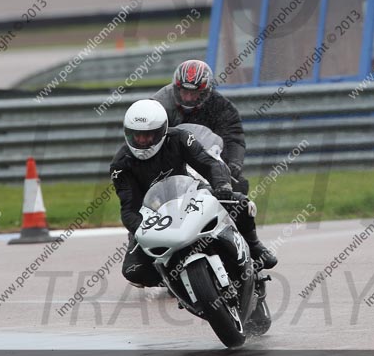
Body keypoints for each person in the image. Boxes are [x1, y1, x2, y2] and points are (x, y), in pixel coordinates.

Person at [110, 99, 277, 288]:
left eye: (147, 136)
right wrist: (141, 230)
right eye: (136, 136)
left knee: (240, 204)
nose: (141, 141)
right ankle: (178, 281)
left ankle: (254, 246)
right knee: (134, 271)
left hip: (190, 195)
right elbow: (129, 207)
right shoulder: (120, 165)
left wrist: (222, 186)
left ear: (161, 131)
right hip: (153, 216)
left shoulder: (180, 138)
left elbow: (210, 164)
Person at [153, 60, 249, 194]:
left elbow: (233, 137)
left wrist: (234, 163)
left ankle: (229, 213)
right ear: (176, 88)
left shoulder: (221, 106)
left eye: (194, 93)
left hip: (206, 160)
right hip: (171, 163)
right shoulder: (159, 104)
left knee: (239, 184)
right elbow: (148, 134)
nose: (188, 98)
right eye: (184, 91)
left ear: (205, 92)